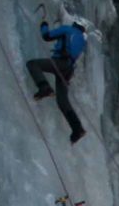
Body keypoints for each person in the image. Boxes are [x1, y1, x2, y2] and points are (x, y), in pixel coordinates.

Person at [29, 14, 91, 144]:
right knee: (62, 101)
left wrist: (44, 25)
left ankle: (44, 87)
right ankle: (77, 128)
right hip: (68, 69)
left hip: (60, 63)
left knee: (33, 64)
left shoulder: (67, 29)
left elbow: (46, 36)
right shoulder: (83, 40)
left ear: (75, 25)